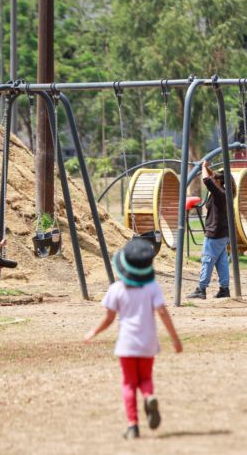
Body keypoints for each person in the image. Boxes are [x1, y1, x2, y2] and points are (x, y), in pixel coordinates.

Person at [84, 239, 183, 439]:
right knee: (145, 378)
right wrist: (175, 340)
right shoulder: (153, 287)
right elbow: (163, 313)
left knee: (129, 383)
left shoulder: (116, 289)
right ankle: (149, 396)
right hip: (148, 343)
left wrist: (93, 332)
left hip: (127, 344)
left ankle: (132, 426)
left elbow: (109, 318)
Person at [186, 160, 236, 300]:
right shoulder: (224, 192)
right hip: (222, 233)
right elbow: (211, 176)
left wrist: (202, 168)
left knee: (207, 260)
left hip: (214, 233)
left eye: (215, 179)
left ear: (218, 181)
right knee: (221, 262)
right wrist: (206, 166)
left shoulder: (219, 193)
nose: (213, 180)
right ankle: (224, 289)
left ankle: (201, 289)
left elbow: (207, 180)